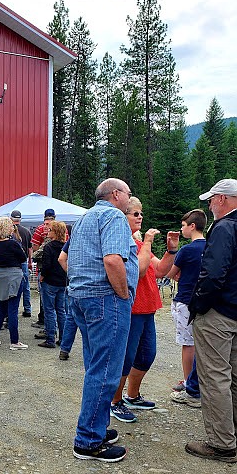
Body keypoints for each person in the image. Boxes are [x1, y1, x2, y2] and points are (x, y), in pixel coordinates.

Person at [67, 178, 139, 463]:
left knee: (96, 366)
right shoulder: (113, 216)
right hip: (105, 300)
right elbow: (112, 260)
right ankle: (87, 441)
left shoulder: (85, 218)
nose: (131, 200)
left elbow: (69, 258)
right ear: (117, 194)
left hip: (82, 298)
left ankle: (95, 427)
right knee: (106, 370)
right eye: (129, 194)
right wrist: (122, 294)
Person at [109, 197, 179, 423]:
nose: (140, 217)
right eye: (135, 214)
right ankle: (115, 401)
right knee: (126, 358)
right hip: (131, 309)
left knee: (147, 355)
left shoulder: (139, 245)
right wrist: (148, 241)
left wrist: (171, 251)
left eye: (141, 214)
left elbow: (160, 271)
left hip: (147, 309)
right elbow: (139, 270)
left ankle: (132, 395)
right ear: (123, 217)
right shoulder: (123, 244)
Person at [185, 179, 237, 463]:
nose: (209, 205)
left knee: (215, 376)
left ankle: (221, 444)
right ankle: (231, 435)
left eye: (211, 200)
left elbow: (214, 272)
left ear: (222, 200)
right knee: (234, 377)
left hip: (218, 312)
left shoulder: (224, 227)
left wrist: (199, 305)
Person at [166, 209, 207, 393]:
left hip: (185, 300)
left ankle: (187, 380)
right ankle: (199, 380)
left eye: (183, 226)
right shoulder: (211, 247)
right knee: (203, 343)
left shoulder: (186, 250)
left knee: (188, 343)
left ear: (192, 226)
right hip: (205, 301)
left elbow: (169, 274)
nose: (181, 229)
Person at [0, 217, 29, 350]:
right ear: (7, 228)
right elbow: (23, 258)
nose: (13, 228)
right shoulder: (13, 244)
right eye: (11, 226)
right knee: (13, 310)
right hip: (13, 277)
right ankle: (14, 341)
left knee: (1, 309)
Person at [38, 220, 68, 348]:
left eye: (50, 230)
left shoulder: (49, 247)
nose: (48, 232)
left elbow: (47, 265)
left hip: (50, 281)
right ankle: (63, 338)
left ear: (55, 232)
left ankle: (50, 338)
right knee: (61, 310)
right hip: (62, 281)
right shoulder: (66, 246)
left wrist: (42, 276)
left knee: (49, 310)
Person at [30, 209, 56, 328]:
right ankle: (56, 325)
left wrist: (38, 255)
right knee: (59, 300)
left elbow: (35, 247)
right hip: (59, 267)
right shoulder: (62, 227)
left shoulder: (40, 229)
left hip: (44, 266)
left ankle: (45, 322)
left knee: (45, 296)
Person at [10, 210, 33, 318]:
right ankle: (27, 309)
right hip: (23, 260)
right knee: (26, 285)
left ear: (11, 218)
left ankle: (11, 310)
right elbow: (30, 248)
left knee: (12, 285)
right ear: (20, 219)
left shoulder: (9, 231)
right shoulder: (26, 231)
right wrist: (30, 261)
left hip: (12, 262)